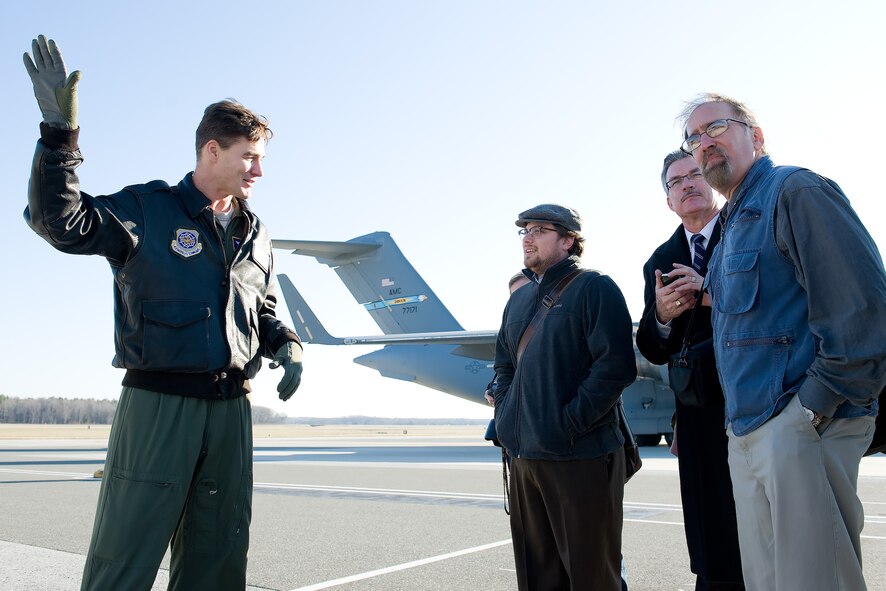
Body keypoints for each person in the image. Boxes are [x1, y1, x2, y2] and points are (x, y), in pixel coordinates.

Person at [22, 35, 304, 590]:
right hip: (159, 406)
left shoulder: (256, 233)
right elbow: (61, 223)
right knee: (126, 551)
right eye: (249, 157)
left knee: (219, 551)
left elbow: (260, 306)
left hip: (230, 411)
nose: (259, 172)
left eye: (261, 159)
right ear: (211, 151)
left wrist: (284, 341)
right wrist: (59, 140)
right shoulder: (147, 211)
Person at [679, 93, 886, 590]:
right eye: (693, 138)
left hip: (801, 428)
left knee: (817, 582)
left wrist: (809, 413)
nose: (704, 144)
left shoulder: (797, 191)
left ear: (757, 135)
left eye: (716, 128)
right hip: (747, 433)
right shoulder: (730, 224)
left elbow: (862, 315)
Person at [493, 204, 637, 590]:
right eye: (524, 229)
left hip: (580, 457)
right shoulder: (518, 301)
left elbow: (615, 368)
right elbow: (504, 366)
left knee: (593, 578)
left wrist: (566, 425)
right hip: (524, 460)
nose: (527, 237)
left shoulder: (595, 287)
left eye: (539, 229)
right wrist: (508, 416)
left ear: (568, 239)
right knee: (538, 577)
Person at [636, 149, 744, 590]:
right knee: (709, 526)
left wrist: (709, 291)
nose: (687, 184)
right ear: (669, 201)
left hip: (754, 398)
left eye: (694, 174)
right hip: (698, 412)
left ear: (712, 182)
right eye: (676, 181)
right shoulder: (659, 259)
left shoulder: (747, 230)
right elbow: (651, 347)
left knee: (759, 521)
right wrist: (661, 316)